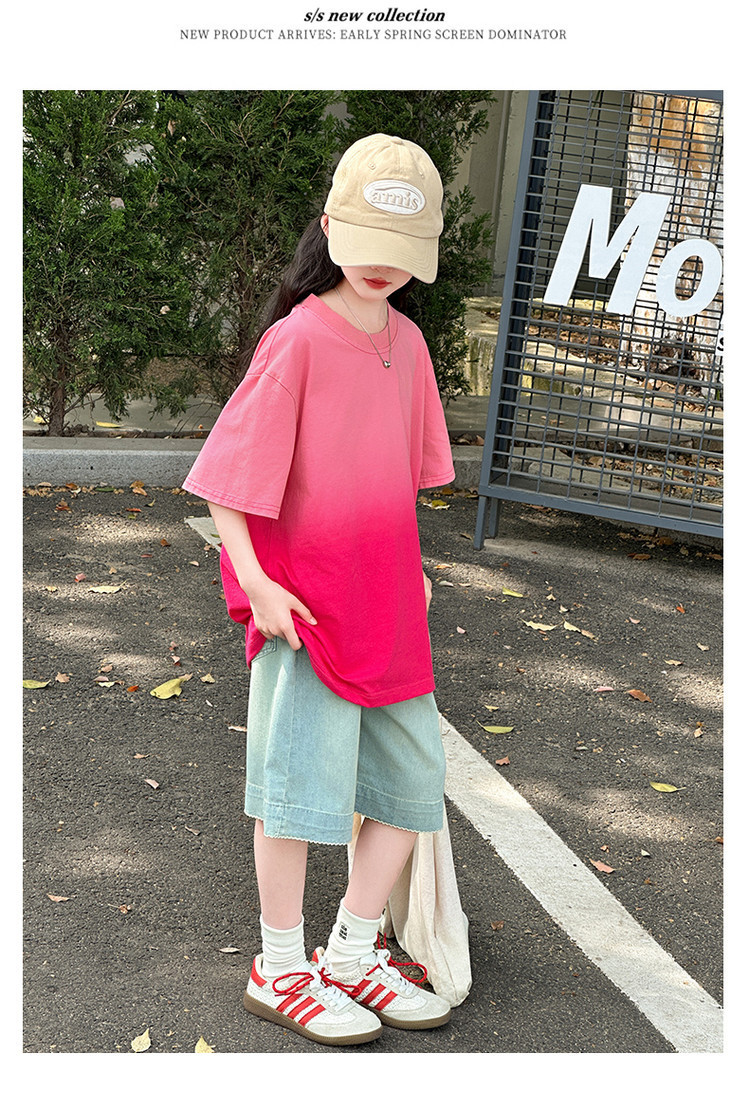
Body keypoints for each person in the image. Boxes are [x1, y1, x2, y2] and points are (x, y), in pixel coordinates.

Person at [182, 133, 457, 1046]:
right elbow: (227, 482)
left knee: (413, 784)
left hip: (386, 604)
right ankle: (278, 963)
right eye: (367, 240)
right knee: (295, 795)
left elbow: (398, 476)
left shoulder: (408, 344)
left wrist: (412, 566)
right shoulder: (295, 341)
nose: (381, 266)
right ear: (331, 227)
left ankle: (349, 951)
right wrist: (258, 583)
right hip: (303, 610)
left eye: (401, 250)